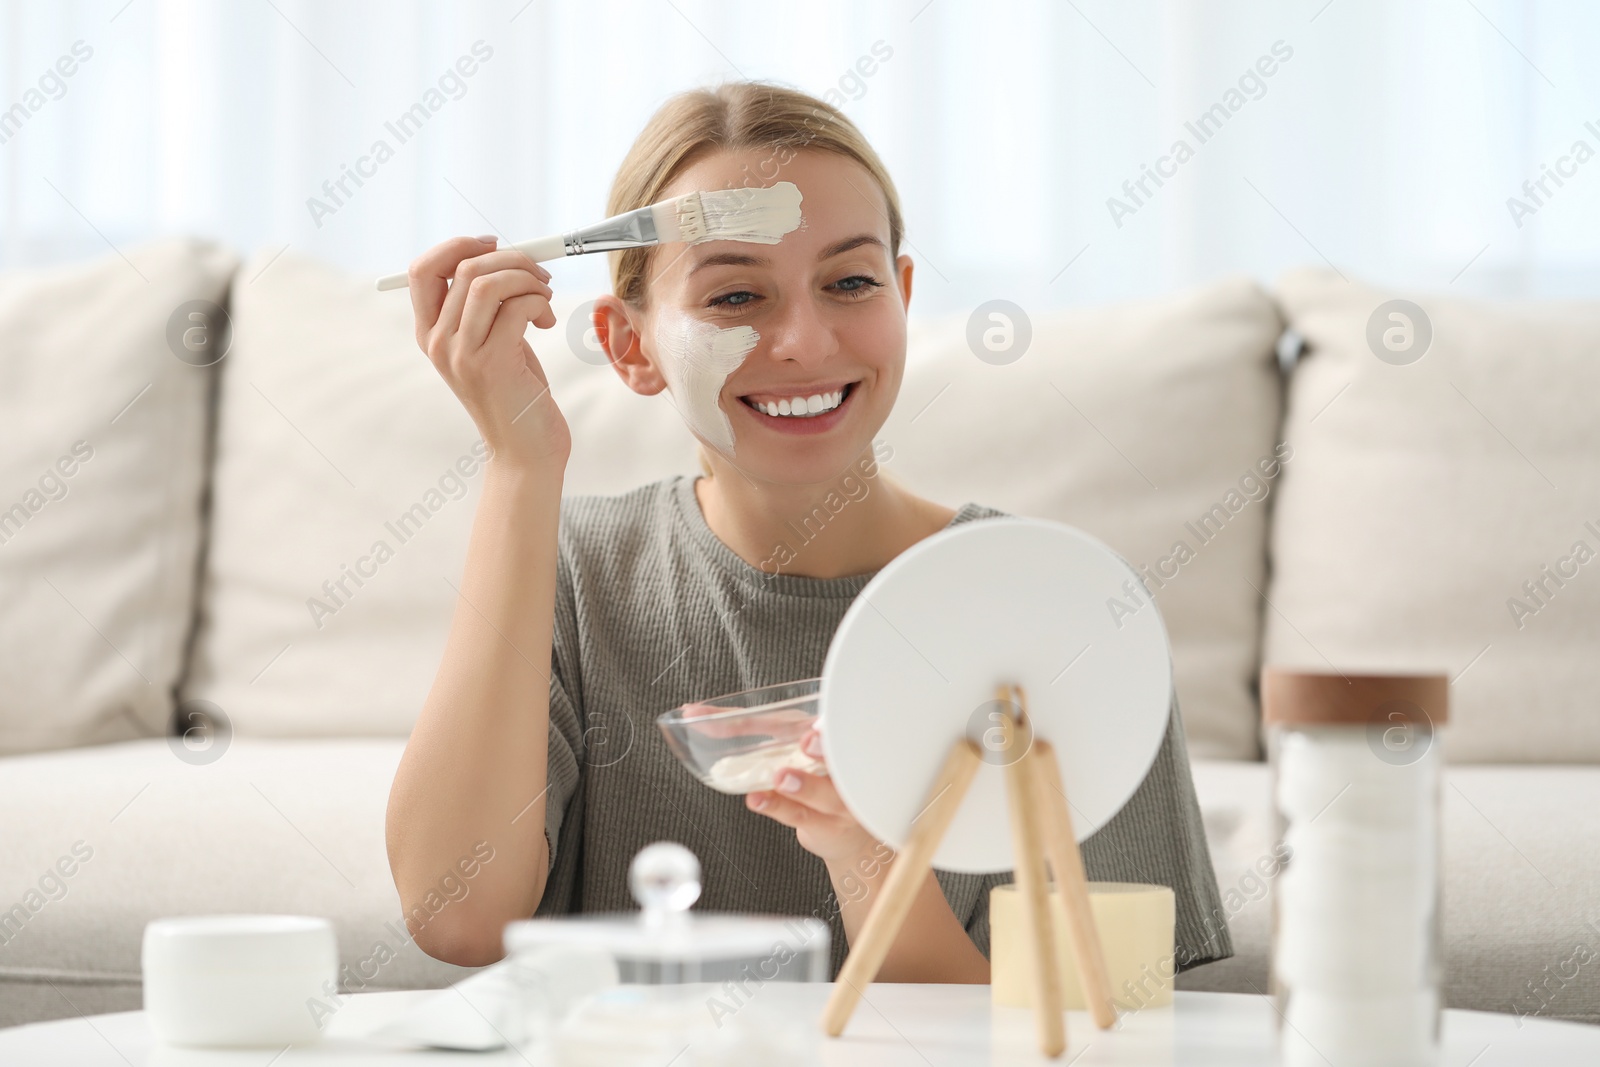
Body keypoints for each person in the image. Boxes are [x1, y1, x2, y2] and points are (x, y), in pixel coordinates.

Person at [385, 81, 1232, 983]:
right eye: (737, 295)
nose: (802, 339)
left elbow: (1097, 1018)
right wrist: (521, 465)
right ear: (629, 346)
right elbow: (458, 917)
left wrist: (865, 856)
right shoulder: (575, 574)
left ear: (903, 297)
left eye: (851, 282)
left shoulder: (1064, 609)